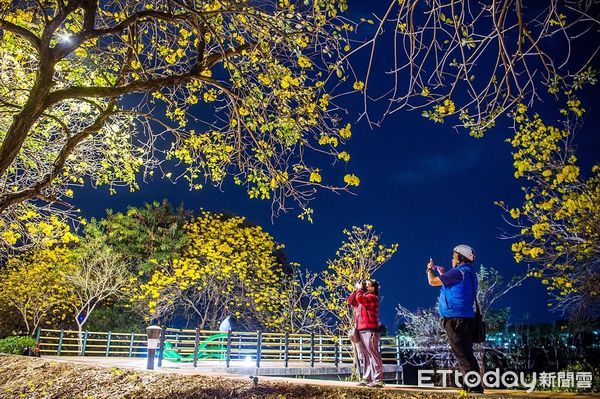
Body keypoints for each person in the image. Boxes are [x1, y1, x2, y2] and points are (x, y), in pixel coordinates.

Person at [427, 244, 484, 394]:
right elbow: (455, 285)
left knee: (461, 354)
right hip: (466, 319)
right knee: (467, 353)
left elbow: (432, 282)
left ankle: (473, 387)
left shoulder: (459, 272)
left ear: (460, 258)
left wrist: (429, 269)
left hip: (455, 319)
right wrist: (444, 273)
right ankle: (473, 385)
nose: (452, 259)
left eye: (454, 256)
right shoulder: (468, 272)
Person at [347, 279, 384, 388]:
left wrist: (359, 290)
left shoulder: (372, 298)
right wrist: (356, 289)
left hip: (370, 330)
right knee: (365, 355)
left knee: (373, 354)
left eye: (367, 285)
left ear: (373, 288)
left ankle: (377, 379)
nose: (365, 287)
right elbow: (350, 301)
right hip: (361, 329)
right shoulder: (363, 297)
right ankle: (367, 378)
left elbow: (360, 299)